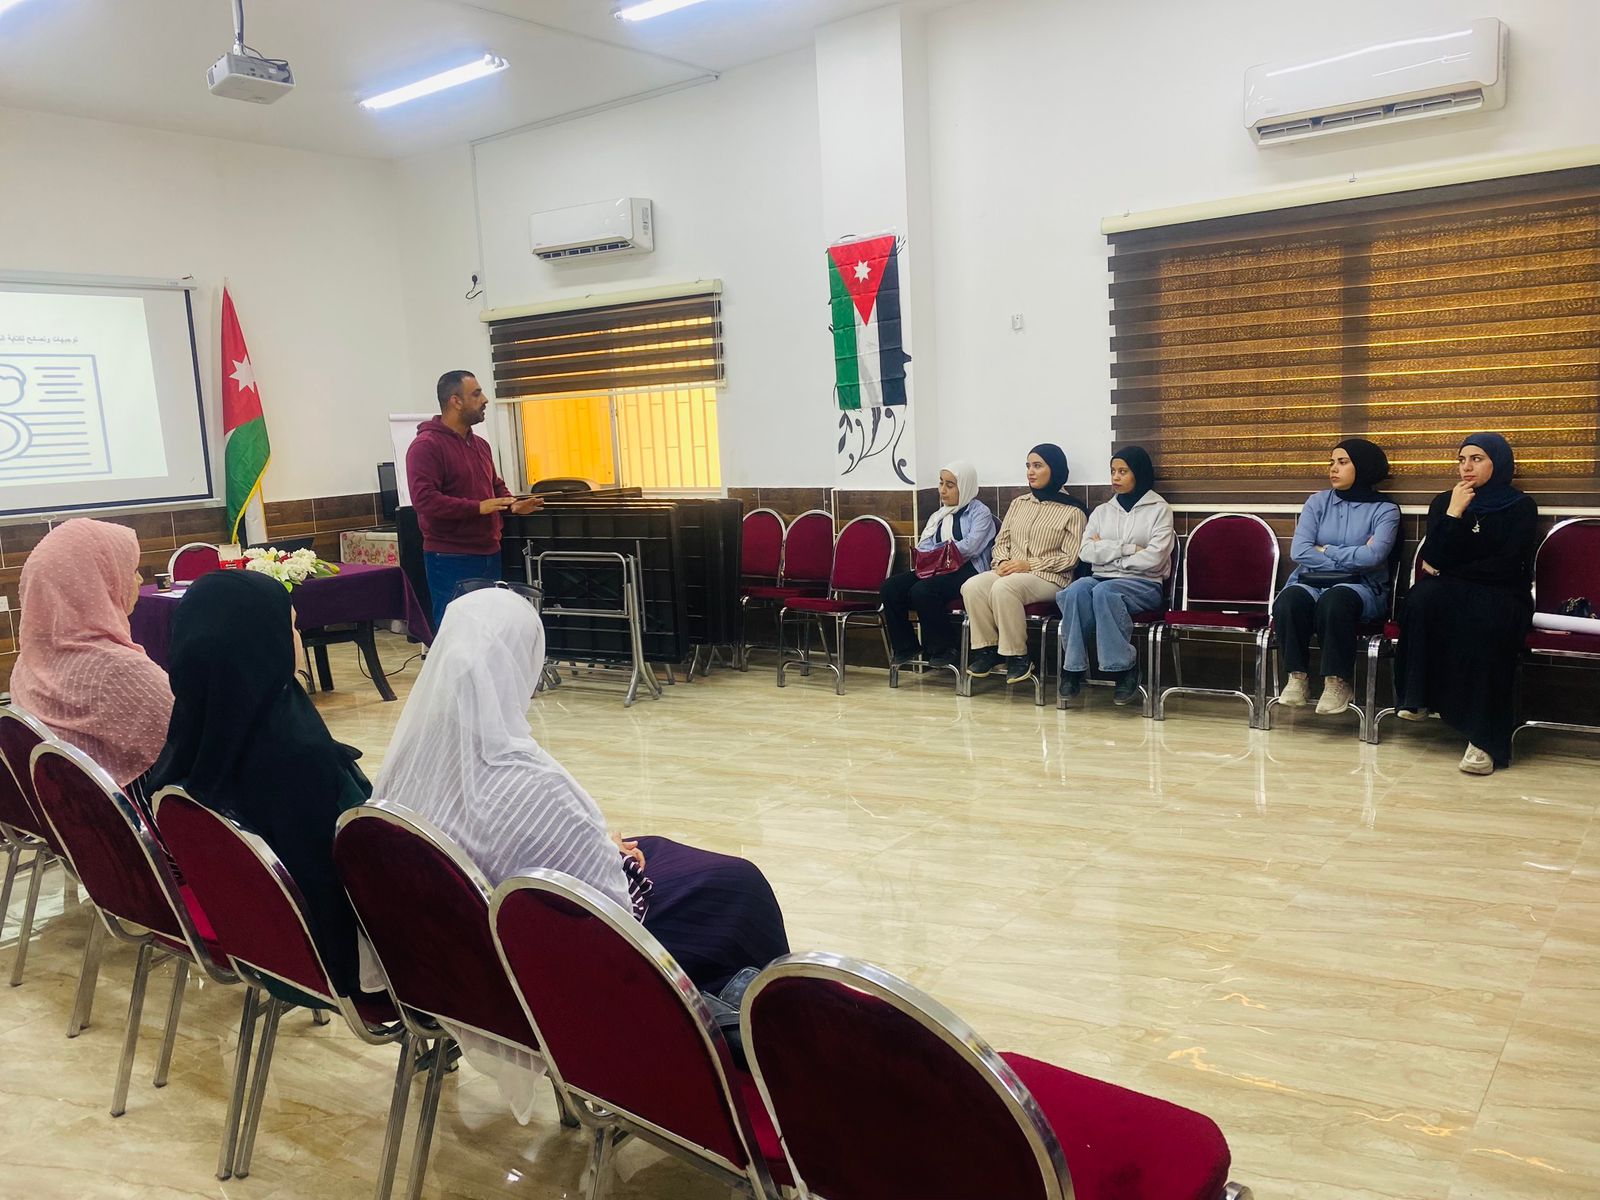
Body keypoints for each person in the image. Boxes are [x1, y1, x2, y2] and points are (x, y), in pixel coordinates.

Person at [369, 587, 789, 1117]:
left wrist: (595, 844)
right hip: (559, 963)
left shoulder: (405, 762)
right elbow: (614, 914)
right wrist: (610, 855)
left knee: (659, 851)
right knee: (738, 886)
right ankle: (755, 1034)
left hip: (460, 960)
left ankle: (718, 1004)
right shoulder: (530, 781)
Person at [147, 570, 374, 997]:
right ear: (264, 643)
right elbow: (361, 865)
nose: (298, 638)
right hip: (335, 958)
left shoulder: (193, 728)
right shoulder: (296, 753)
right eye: (292, 627)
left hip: (254, 944)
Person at [1394, 433, 1538, 775]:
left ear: (1498, 462)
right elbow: (1433, 558)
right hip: (1455, 588)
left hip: (1503, 593)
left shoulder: (1520, 506)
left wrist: (1452, 569)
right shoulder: (1445, 501)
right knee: (1421, 599)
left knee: (1487, 622)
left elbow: (1508, 564)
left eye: (1476, 459)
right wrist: (1454, 513)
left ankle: (1483, 739)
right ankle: (1418, 698)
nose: (1466, 467)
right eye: (1462, 460)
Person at [9, 519, 173, 794]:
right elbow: (190, 738)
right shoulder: (118, 671)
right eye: (131, 571)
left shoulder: (29, 662)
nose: (138, 581)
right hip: (141, 811)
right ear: (95, 583)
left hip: (65, 810)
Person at [1271, 439, 1401, 716]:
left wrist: (1325, 548)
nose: (1333, 469)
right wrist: (1354, 555)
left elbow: (1374, 556)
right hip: (1311, 581)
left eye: (1342, 462)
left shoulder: (1385, 509)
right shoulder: (1318, 502)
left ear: (1363, 466)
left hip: (1361, 586)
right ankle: (1297, 676)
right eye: (1331, 462)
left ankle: (1337, 682)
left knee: (1335, 601)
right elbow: (1300, 550)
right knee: (1288, 601)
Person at [406, 370, 543, 633]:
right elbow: (424, 500)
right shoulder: (426, 446)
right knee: (457, 633)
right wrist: (477, 507)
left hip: (489, 552)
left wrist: (512, 504)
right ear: (455, 401)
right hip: (450, 556)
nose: (485, 400)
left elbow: (495, 485)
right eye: (477, 394)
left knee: (488, 631)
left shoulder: (480, 444)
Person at [1056, 446, 1174, 706]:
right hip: (1102, 578)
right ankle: (1072, 668)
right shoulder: (1102, 512)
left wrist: (1106, 551)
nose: (1116, 477)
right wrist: (1128, 549)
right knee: (1074, 591)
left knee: (1104, 592)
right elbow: (1086, 552)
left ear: (1138, 474)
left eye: (1123, 471)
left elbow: (1155, 557)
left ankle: (1124, 668)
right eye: (1113, 471)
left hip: (1144, 584)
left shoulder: (1160, 509)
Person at [961, 444, 1086, 685]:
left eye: (1037, 466)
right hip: (1012, 571)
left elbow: (1071, 558)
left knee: (1004, 588)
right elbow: (1002, 540)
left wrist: (1028, 565)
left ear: (1055, 469)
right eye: (1028, 466)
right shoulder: (1019, 503)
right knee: (972, 586)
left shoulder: (1073, 510)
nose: (1030, 471)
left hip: (1051, 578)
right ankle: (988, 649)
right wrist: (1002, 562)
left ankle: (1018, 655)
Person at [881, 461, 996, 669]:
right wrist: (943, 552)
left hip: (968, 570)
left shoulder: (980, 513)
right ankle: (906, 646)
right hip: (938, 567)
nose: (943, 490)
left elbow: (971, 547)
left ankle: (945, 648)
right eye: (941, 483)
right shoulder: (939, 516)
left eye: (950, 485)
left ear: (965, 486)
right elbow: (923, 547)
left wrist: (941, 551)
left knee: (923, 590)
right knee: (891, 587)